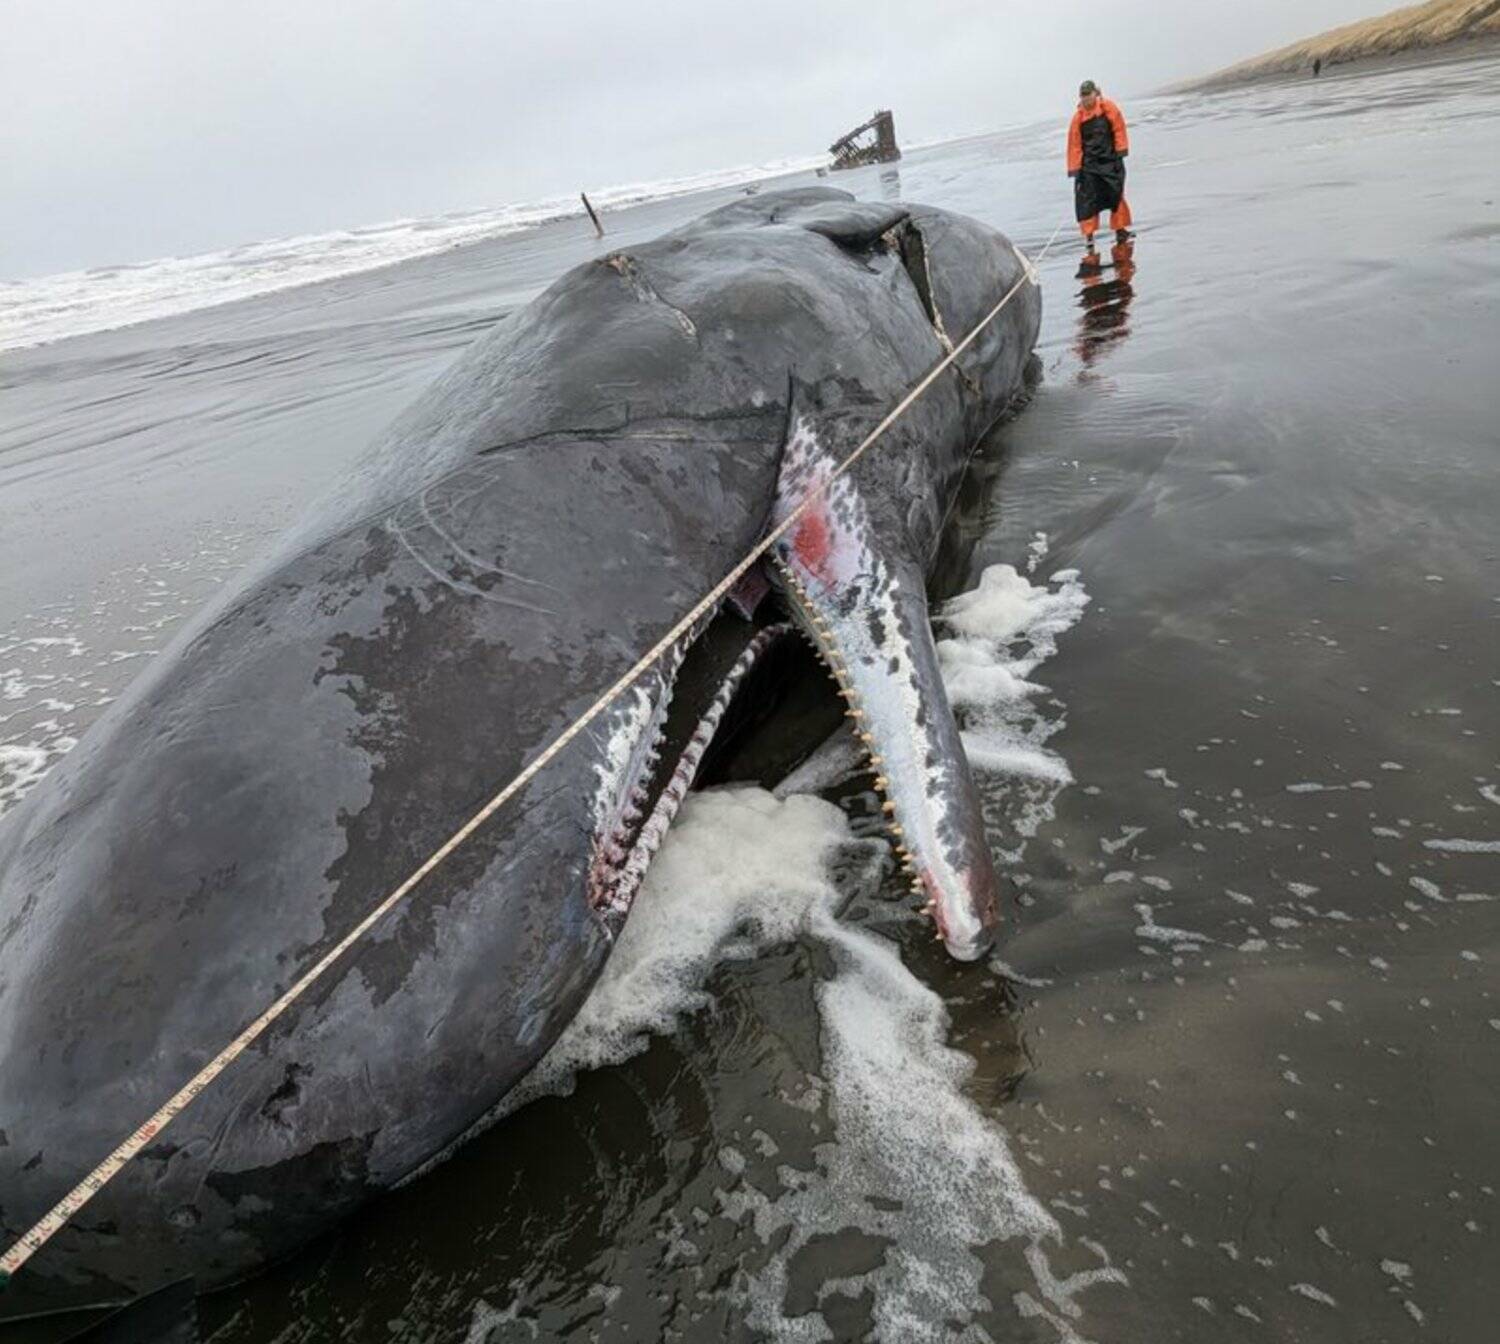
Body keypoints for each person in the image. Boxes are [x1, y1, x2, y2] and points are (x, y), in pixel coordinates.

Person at [1067, 80, 1132, 249]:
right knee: (1087, 202)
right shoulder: (1078, 118)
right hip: (1088, 166)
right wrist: (1075, 168)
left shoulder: (1109, 108)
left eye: (1088, 95)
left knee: (1115, 195)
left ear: (1095, 94)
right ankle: (1089, 237)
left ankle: (1120, 230)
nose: (1086, 99)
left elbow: (1119, 128)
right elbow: (1074, 144)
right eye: (1083, 96)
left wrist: (1121, 151)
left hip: (1110, 161)